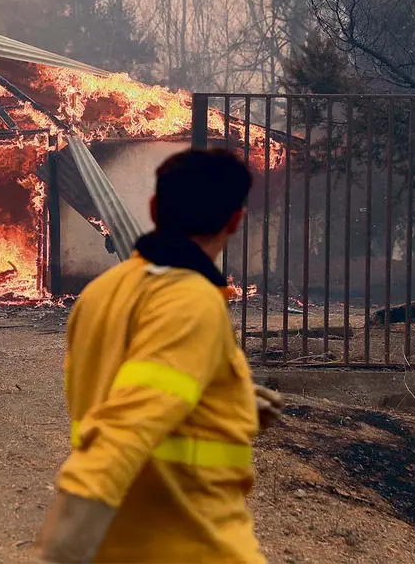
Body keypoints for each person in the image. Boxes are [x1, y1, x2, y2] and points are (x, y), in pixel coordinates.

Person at [34, 148, 284, 564]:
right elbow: (127, 425)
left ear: (154, 208)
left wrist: (228, 401)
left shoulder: (100, 293)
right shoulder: (191, 301)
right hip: (191, 545)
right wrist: (60, 549)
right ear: (236, 220)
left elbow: (126, 384)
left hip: (121, 546)